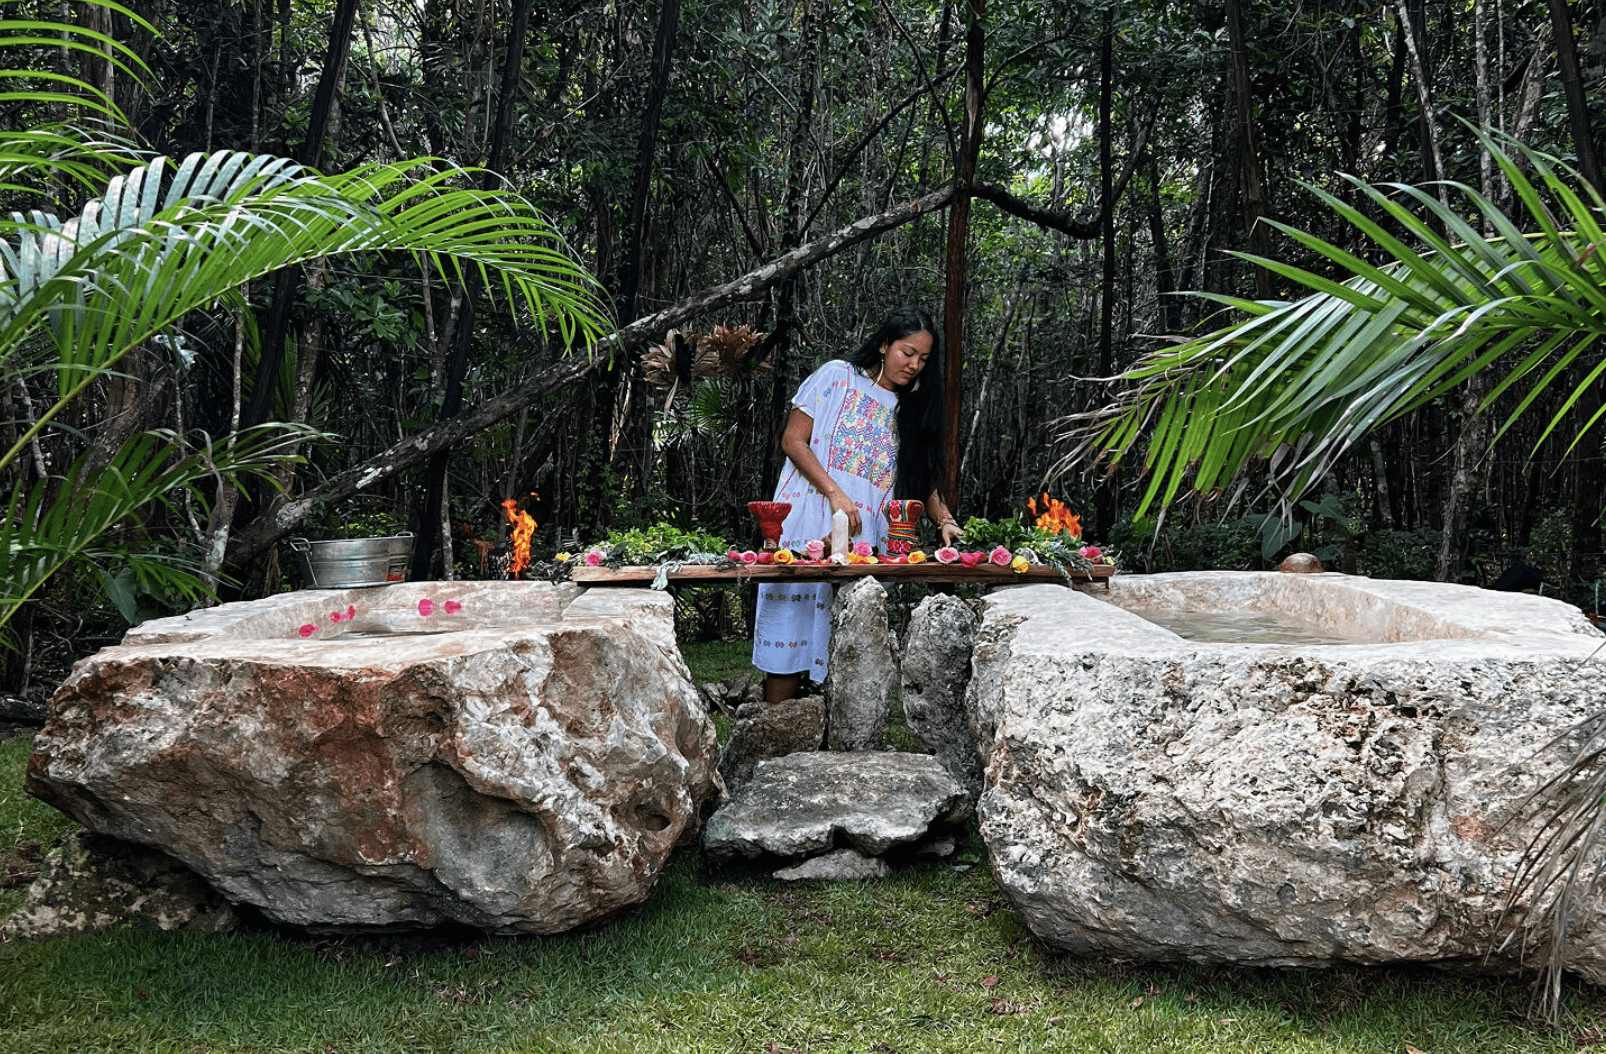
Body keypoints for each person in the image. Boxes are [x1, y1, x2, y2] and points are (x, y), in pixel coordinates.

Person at [751, 307, 964, 704]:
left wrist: (945, 519)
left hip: (862, 540)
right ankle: (773, 730)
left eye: (923, 359)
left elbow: (921, 477)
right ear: (884, 345)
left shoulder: (910, 409)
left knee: (851, 645)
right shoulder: (836, 377)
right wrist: (834, 493)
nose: (914, 364)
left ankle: (840, 749)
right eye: (907, 352)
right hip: (806, 522)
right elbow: (793, 440)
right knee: (788, 633)